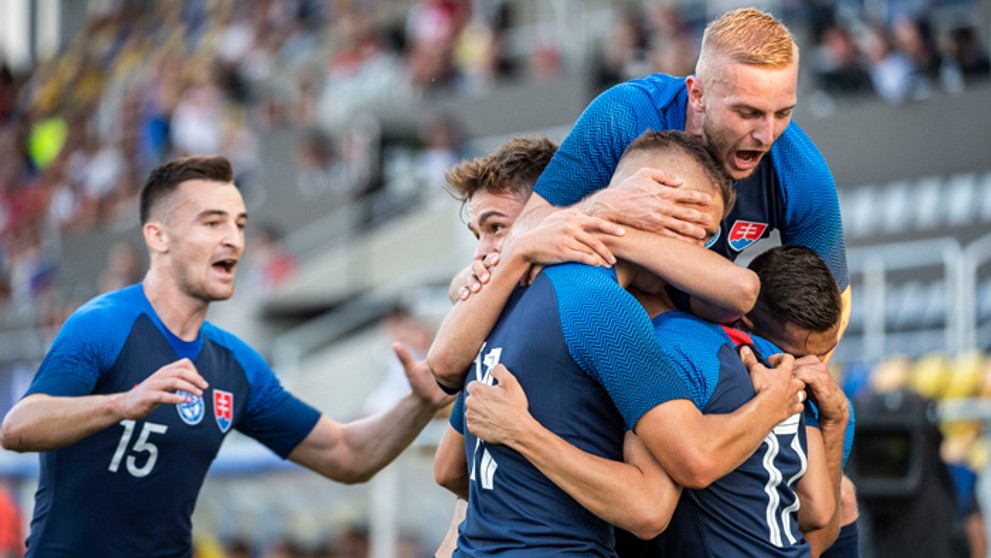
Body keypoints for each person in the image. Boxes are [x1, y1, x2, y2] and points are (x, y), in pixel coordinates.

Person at [0, 155, 452, 557]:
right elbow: (19, 427)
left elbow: (347, 455)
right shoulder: (102, 325)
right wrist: (122, 403)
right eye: (213, 222)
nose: (234, 239)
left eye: (239, 224)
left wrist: (420, 403)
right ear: (158, 236)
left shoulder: (237, 366)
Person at [429, 131, 806, 556]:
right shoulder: (606, 307)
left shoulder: (503, 303)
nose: (703, 251)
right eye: (697, 229)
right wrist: (772, 406)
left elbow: (448, 469)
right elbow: (654, 503)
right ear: (654, 205)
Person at [464, 245, 850, 557]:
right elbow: (817, 509)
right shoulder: (783, 374)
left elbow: (658, 499)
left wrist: (521, 434)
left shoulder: (674, 350)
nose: (815, 367)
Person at [517, 7, 852, 340]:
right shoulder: (622, 118)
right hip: (593, 322)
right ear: (697, 94)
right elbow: (524, 233)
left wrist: (791, 377)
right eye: (747, 113)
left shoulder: (801, 172)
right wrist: (606, 207)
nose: (767, 135)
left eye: (783, 113)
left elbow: (835, 310)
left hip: (699, 332)